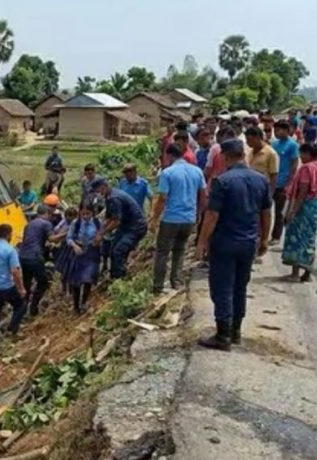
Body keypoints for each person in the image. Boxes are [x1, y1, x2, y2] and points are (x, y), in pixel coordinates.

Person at [195, 139, 272, 351]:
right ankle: (236, 331)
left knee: (222, 288)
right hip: (248, 242)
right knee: (240, 286)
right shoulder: (261, 180)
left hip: (225, 242)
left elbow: (211, 215)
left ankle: (222, 335)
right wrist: (264, 239)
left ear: (226, 156)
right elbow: (266, 213)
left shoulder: (222, 181)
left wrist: (201, 243)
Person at [150, 144, 207, 293]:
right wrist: (199, 214)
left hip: (171, 218)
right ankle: (176, 281)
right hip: (188, 218)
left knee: (162, 252)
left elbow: (162, 198)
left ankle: (158, 286)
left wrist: (154, 218)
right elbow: (203, 195)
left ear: (169, 156)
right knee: (179, 250)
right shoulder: (197, 171)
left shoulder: (167, 173)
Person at [281, 144, 317, 282]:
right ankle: (307, 271)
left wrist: (292, 211)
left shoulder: (306, 168)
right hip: (315, 205)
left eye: (303, 154)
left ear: (309, 154)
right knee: (309, 239)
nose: (301, 157)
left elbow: (302, 191)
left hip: (303, 207)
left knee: (297, 237)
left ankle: (295, 273)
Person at [93, 178, 148, 279]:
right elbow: (110, 218)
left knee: (119, 251)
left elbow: (116, 222)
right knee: (113, 249)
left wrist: (101, 234)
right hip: (125, 226)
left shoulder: (115, 198)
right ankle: (115, 274)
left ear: (103, 187)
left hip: (135, 227)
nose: (98, 194)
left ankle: (119, 279)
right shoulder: (110, 197)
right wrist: (99, 232)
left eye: (97, 191)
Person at [17, 205, 56, 316]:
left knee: (27, 284)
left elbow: (27, 241)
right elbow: (52, 238)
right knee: (43, 282)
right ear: (47, 214)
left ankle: (22, 311)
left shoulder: (28, 225)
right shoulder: (46, 223)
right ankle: (33, 309)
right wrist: (65, 233)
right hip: (35, 256)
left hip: (23, 257)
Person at [65, 204, 101, 313]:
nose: (85, 216)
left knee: (88, 279)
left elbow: (104, 235)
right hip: (78, 252)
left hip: (91, 252)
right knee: (76, 281)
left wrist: (98, 240)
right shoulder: (76, 223)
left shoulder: (97, 223)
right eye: (83, 214)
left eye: (88, 214)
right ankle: (76, 305)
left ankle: (84, 302)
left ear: (92, 213)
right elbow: (69, 238)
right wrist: (74, 246)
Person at [269, 121, 300, 245]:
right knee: (265, 209)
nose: (277, 133)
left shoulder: (292, 145)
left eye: (279, 130)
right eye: (275, 131)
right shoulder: (274, 144)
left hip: (283, 182)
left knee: (279, 212)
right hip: (271, 182)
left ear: (287, 131)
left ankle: (276, 236)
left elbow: (294, 164)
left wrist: (290, 182)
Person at [52, 207, 79, 294]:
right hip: (64, 247)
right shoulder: (65, 221)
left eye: (70, 218)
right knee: (64, 269)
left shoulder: (77, 224)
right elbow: (56, 229)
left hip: (73, 248)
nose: (68, 219)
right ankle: (64, 288)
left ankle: (70, 290)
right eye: (67, 217)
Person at [245, 126, 279, 194]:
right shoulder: (249, 151)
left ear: (257, 138)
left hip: (263, 188)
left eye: (249, 139)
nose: (247, 142)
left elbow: (273, 176)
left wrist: (270, 194)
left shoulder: (271, 153)